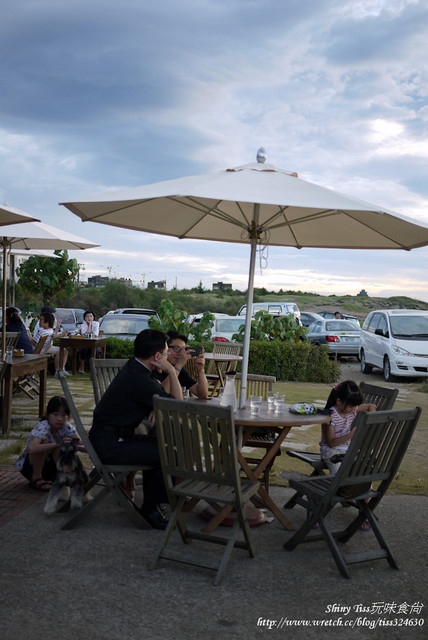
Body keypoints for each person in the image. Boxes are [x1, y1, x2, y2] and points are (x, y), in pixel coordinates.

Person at [88, 328, 183, 529]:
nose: (167, 358)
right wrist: (172, 373)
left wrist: (154, 407)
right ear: (157, 356)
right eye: (166, 354)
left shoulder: (134, 367)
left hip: (109, 437)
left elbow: (156, 401)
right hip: (110, 445)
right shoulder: (140, 379)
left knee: (164, 447)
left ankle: (156, 503)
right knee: (165, 454)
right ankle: (151, 509)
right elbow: (177, 406)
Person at [15, 396, 83, 491]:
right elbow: (32, 448)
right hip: (31, 467)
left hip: (51, 467)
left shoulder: (67, 427)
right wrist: (57, 444)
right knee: (45, 441)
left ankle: (63, 476)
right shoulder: (43, 426)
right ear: (47, 414)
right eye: (55, 414)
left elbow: (81, 444)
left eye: (63, 415)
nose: (59, 419)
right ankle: (37, 478)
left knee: (65, 446)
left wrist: (74, 444)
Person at [319, 380, 376, 474]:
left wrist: (371, 420)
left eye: (355, 406)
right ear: (338, 401)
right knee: (339, 472)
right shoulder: (330, 416)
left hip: (346, 450)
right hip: (330, 451)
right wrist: (351, 434)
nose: (354, 409)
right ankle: (336, 487)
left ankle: (361, 488)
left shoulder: (351, 410)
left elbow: (371, 406)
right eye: (351, 406)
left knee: (363, 467)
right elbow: (331, 443)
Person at [158, 330, 208, 399]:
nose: (180, 353)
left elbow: (203, 395)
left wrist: (201, 370)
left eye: (183, 350)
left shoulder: (180, 371)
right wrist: (179, 365)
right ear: (165, 348)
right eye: (177, 348)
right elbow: (162, 395)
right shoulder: (156, 367)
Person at [32, 306, 70, 376]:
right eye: (51, 314)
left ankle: (60, 370)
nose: (53, 316)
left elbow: (52, 335)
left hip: (44, 347)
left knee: (63, 351)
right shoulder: (41, 325)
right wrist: (61, 334)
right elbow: (52, 336)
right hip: (42, 349)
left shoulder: (46, 328)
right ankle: (59, 370)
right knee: (62, 351)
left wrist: (58, 327)